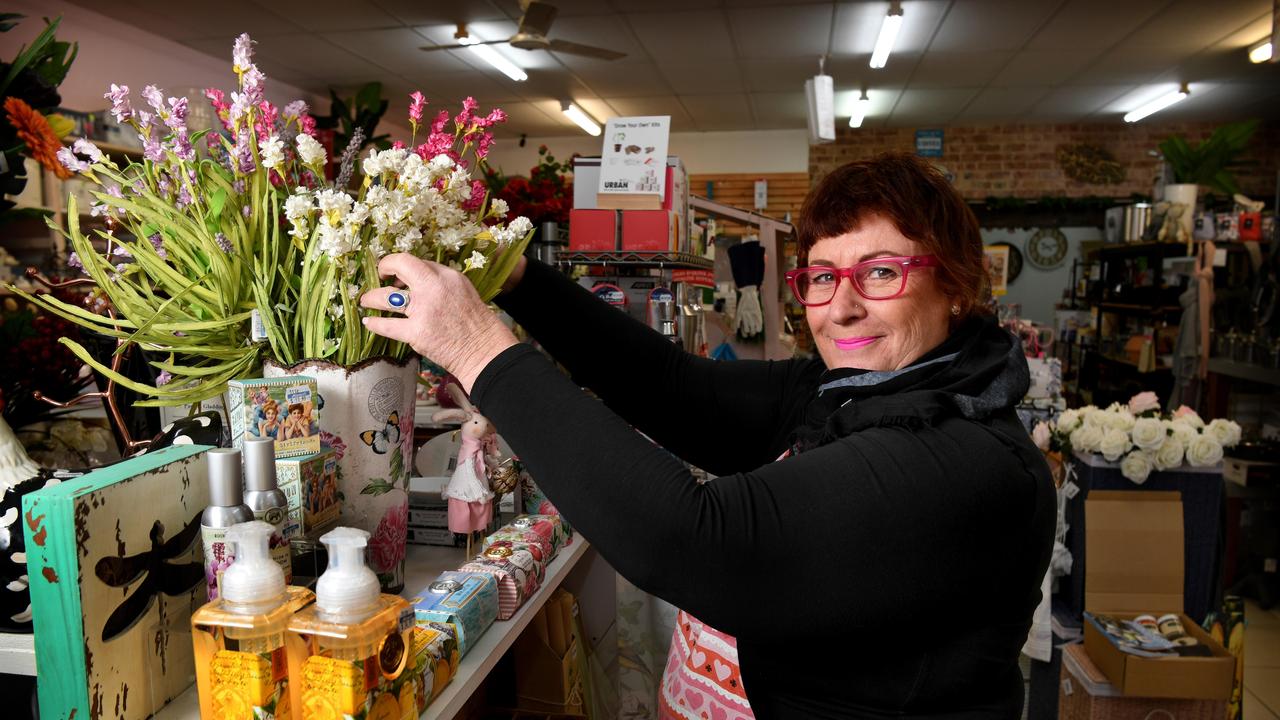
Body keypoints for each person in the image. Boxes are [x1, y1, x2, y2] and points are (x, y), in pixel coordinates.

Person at [360, 152, 1055, 719]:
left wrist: (479, 351)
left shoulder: (966, 464)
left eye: (880, 272)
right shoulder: (856, 389)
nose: (842, 307)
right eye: (821, 276)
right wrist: (514, 278)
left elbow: (689, 539)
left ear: (959, 286)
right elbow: (673, 388)